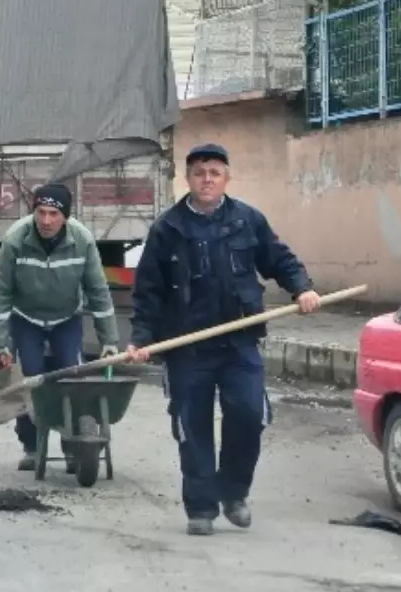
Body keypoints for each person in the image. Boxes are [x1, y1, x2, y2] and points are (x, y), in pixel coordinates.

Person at [127, 143, 321, 537]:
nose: (207, 179)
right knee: (191, 427)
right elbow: (148, 291)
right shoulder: (168, 229)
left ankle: (234, 492)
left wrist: (301, 288)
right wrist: (141, 338)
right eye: (199, 172)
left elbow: (279, 259)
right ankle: (200, 507)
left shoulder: (247, 220)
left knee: (250, 415)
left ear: (226, 178)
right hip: (187, 348)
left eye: (215, 172)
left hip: (239, 342)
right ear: (188, 177)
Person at [0, 184, 121, 472]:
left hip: (65, 317)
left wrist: (109, 340)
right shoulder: (15, 240)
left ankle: (75, 446)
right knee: (28, 380)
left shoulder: (82, 239)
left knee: (73, 376)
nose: (46, 221)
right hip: (27, 318)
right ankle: (32, 446)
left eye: (53, 214)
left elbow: (98, 291)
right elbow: (0, 294)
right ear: (33, 212)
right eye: (41, 213)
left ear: (66, 216)